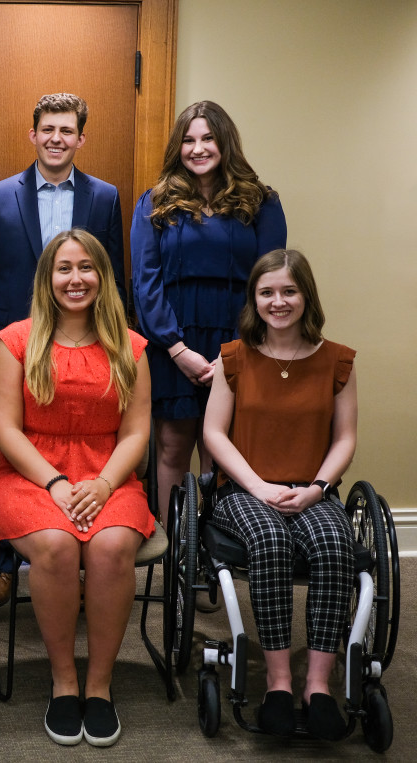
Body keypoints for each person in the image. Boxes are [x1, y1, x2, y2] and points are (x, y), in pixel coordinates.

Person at [0, 229, 152, 747]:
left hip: (109, 471)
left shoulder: (130, 345)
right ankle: (64, 682)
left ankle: (99, 687)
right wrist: (55, 482)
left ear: (102, 276)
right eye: (64, 268)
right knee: (56, 547)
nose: (75, 278)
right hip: (30, 472)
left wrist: (103, 484)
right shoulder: (15, 342)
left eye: (86, 267)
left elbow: (138, 431)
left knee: (111, 545)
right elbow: (5, 429)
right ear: (47, 278)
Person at [0, 93, 124, 608]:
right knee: (13, 448)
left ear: (81, 138)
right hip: (17, 350)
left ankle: (80, 561)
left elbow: (114, 280)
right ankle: (9, 566)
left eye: (67, 130)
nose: (56, 138)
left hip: (84, 347)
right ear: (32, 135)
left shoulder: (104, 197)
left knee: (81, 442)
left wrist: (118, 352)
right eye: (47, 129)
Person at [202, 250, 357, 741]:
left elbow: (346, 438)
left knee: (336, 545)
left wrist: (317, 489)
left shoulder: (338, 360)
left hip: (312, 491)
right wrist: (259, 486)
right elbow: (214, 434)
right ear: (254, 299)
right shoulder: (234, 358)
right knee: (270, 541)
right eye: (267, 292)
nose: (278, 301)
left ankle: (317, 685)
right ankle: (277, 681)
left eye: (289, 291)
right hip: (246, 490)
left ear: (306, 295)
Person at [130, 100, 286, 537]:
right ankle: (178, 552)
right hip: (173, 342)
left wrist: (234, 354)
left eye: (207, 139)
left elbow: (270, 281)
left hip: (239, 342)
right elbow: (145, 283)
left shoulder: (261, 202)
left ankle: (216, 548)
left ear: (224, 143)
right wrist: (177, 350)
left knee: (221, 450)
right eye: (188, 140)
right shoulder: (156, 202)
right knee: (172, 445)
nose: (197, 148)